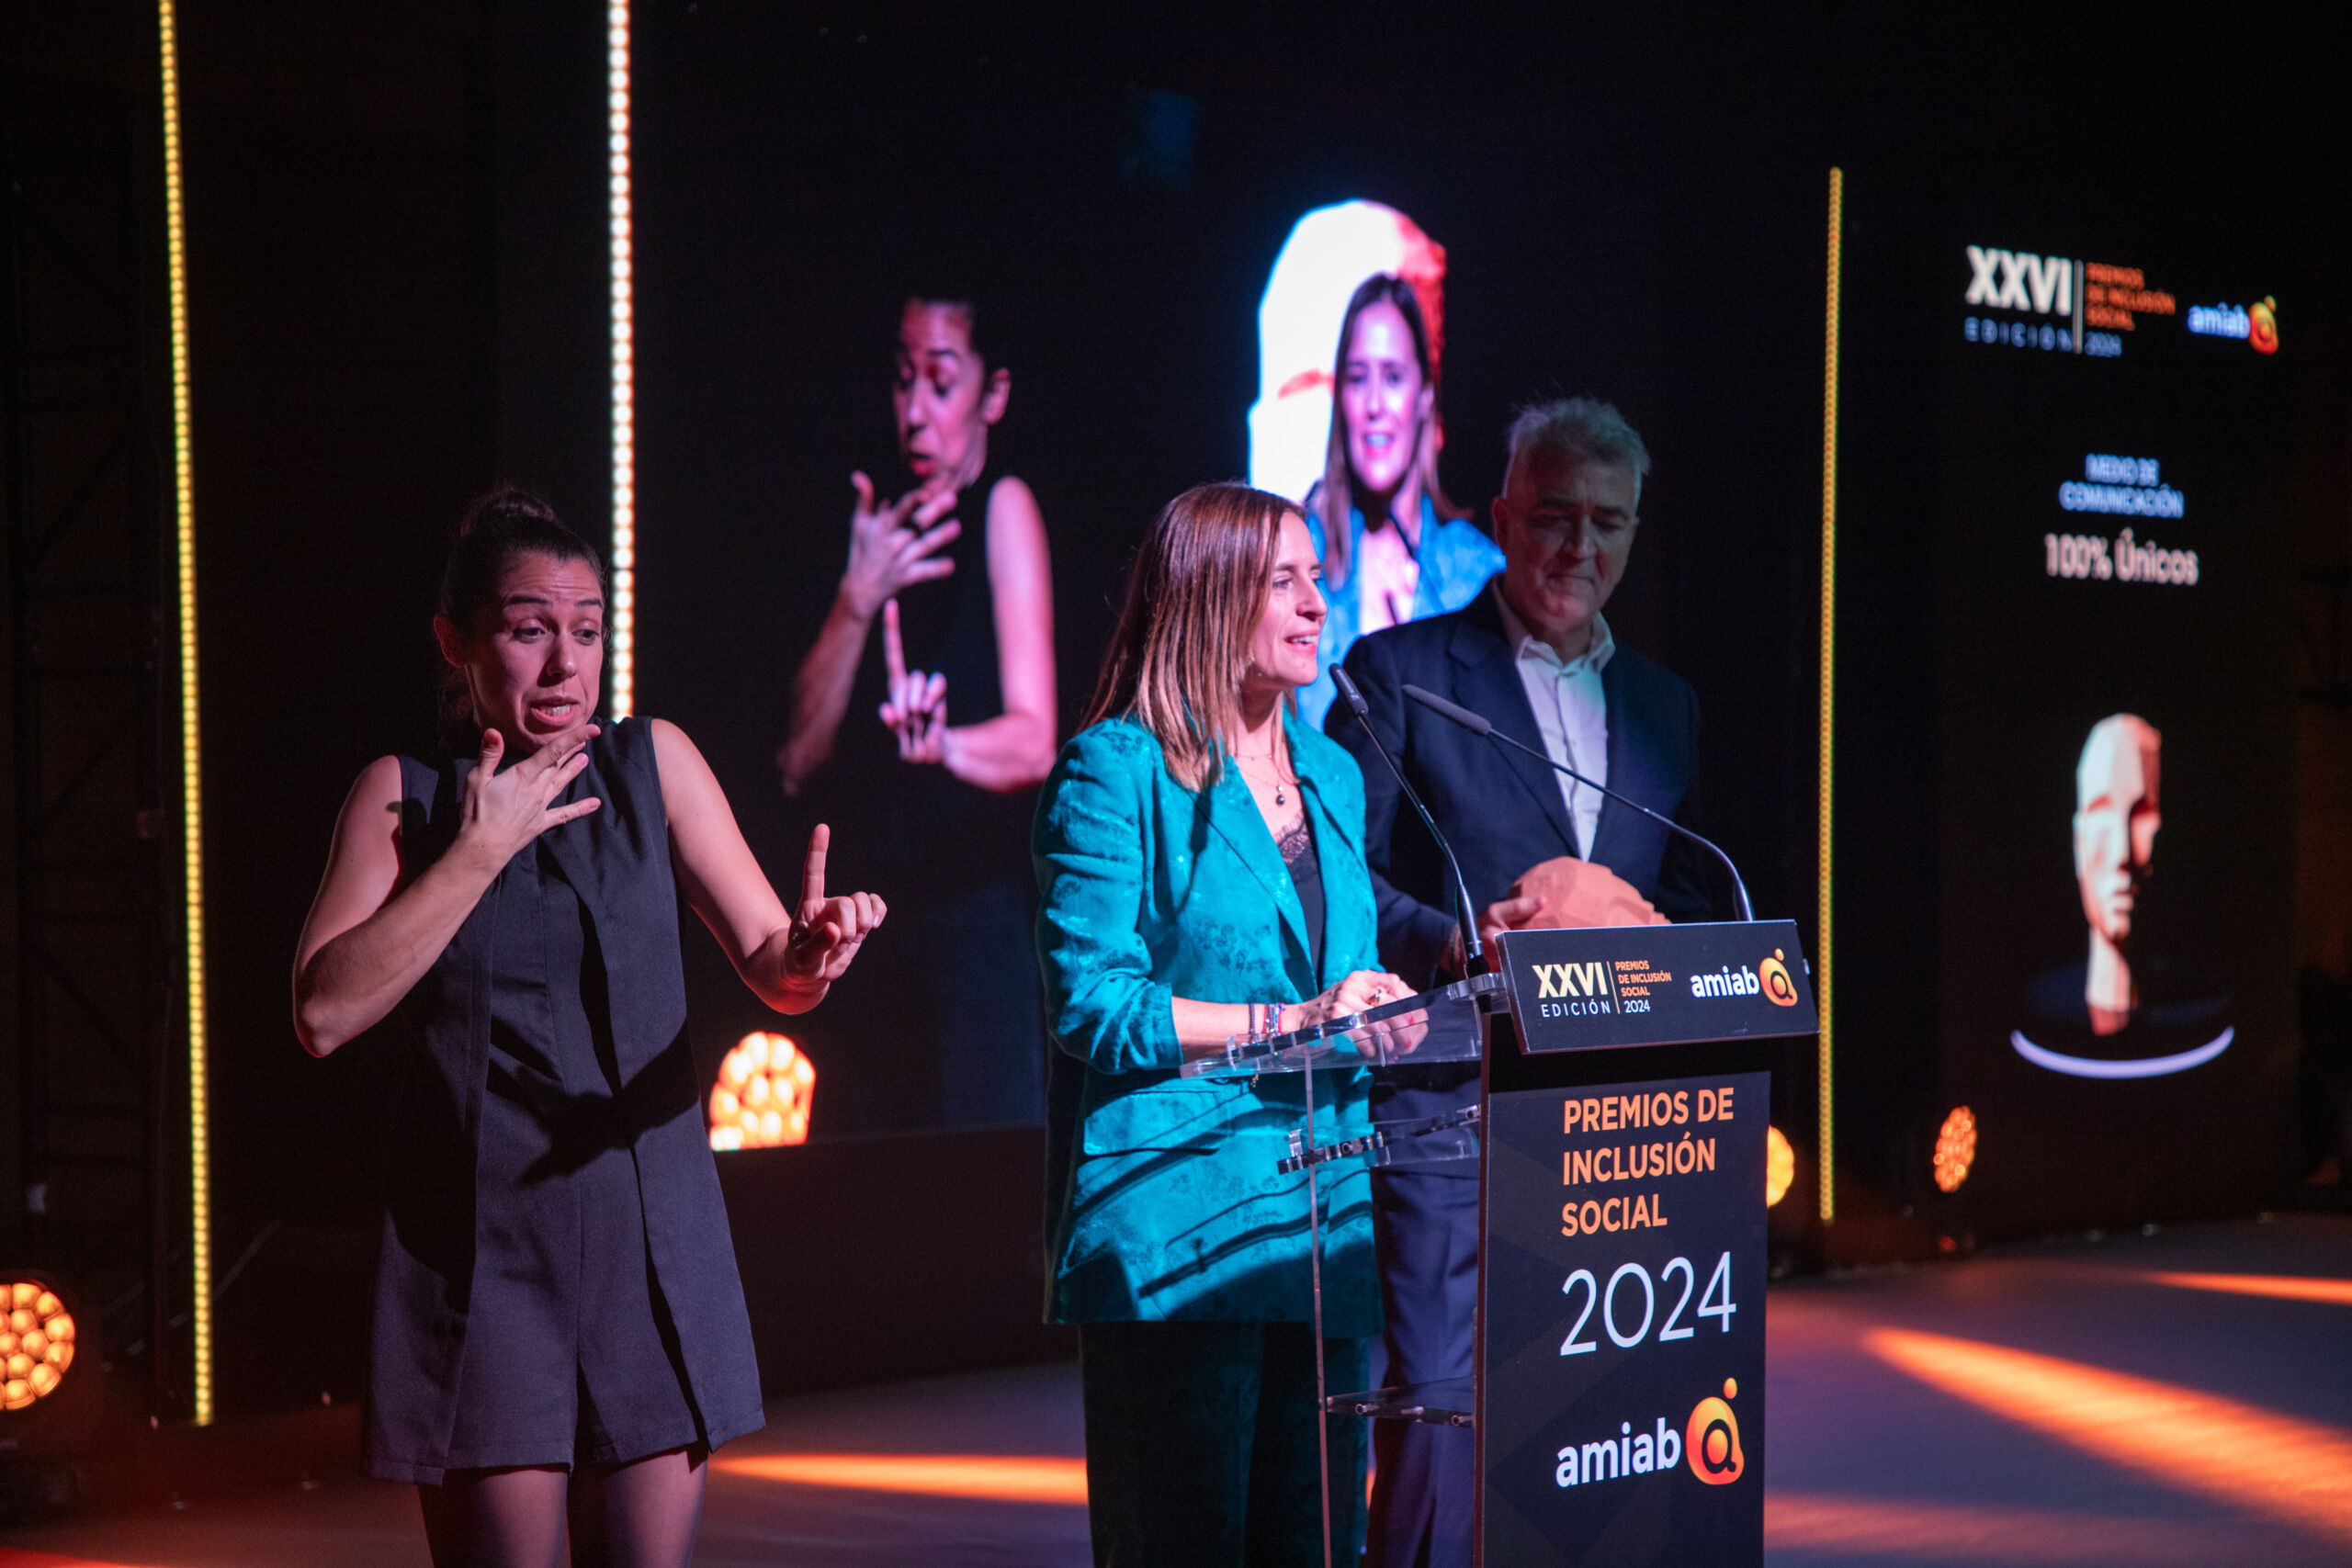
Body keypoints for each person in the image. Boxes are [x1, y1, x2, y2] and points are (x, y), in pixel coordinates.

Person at [293, 490, 886, 1568]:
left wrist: (810, 955)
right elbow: (324, 1012)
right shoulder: (404, 797)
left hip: (649, 1251)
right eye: (530, 630)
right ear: (456, 642)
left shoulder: (652, 764)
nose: (567, 664)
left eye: (587, 629)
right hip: (483, 1262)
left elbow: (774, 966)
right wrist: (476, 853)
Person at [1327, 398, 1713, 1568]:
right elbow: (1337, 883)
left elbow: (1678, 889)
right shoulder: (1398, 674)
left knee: (1596, 1407)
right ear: (1499, 520)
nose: (1578, 547)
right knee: (1438, 1402)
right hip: (1445, 1105)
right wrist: (1457, 942)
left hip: (1614, 1126)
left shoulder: (1663, 704)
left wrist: (1675, 944)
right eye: (1553, 516)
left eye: (1608, 522)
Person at [1034, 483, 1408, 1567]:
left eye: (1315, 578)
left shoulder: (1334, 774)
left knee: (1317, 1543)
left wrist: (1383, 1008)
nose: (1315, 604)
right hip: (1182, 1235)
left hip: (1325, 1225)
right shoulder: (1117, 771)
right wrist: (1298, 1018)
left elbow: (1339, 972)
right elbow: (1092, 1006)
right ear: (1206, 599)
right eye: (1281, 582)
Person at [779, 294, 1056, 1127]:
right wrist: (856, 599)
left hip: (978, 917)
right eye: (904, 382)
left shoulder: (1002, 505)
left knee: (977, 1160)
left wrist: (944, 748)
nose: (916, 411)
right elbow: (796, 759)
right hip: (871, 922)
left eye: (941, 382)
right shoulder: (871, 522)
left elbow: (1037, 741)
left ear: (991, 394)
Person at [1294, 275, 1503, 729]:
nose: (1374, 404)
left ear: (1425, 396)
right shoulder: (1293, 558)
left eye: (1392, 377)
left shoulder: (1479, 575)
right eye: (1357, 378)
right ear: (1340, 397)